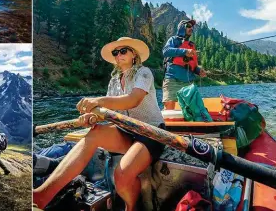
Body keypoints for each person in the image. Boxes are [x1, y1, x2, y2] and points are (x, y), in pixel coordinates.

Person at [33, 37, 165, 211]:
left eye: (123, 51)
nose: (119, 55)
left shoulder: (144, 72)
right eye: (115, 53)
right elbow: (109, 114)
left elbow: (133, 100)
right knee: (93, 134)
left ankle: (131, 207)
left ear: (134, 54)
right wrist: (91, 117)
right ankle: (41, 196)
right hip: (125, 131)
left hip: (150, 131)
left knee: (122, 174)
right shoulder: (114, 81)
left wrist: (98, 101)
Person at [162, 19, 207, 110]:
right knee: (169, 108)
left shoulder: (192, 45)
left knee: (192, 110)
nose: (191, 29)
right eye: (188, 26)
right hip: (172, 79)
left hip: (188, 82)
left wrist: (199, 71)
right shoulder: (173, 40)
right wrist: (184, 51)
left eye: (192, 27)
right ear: (182, 28)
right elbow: (166, 51)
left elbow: (193, 66)